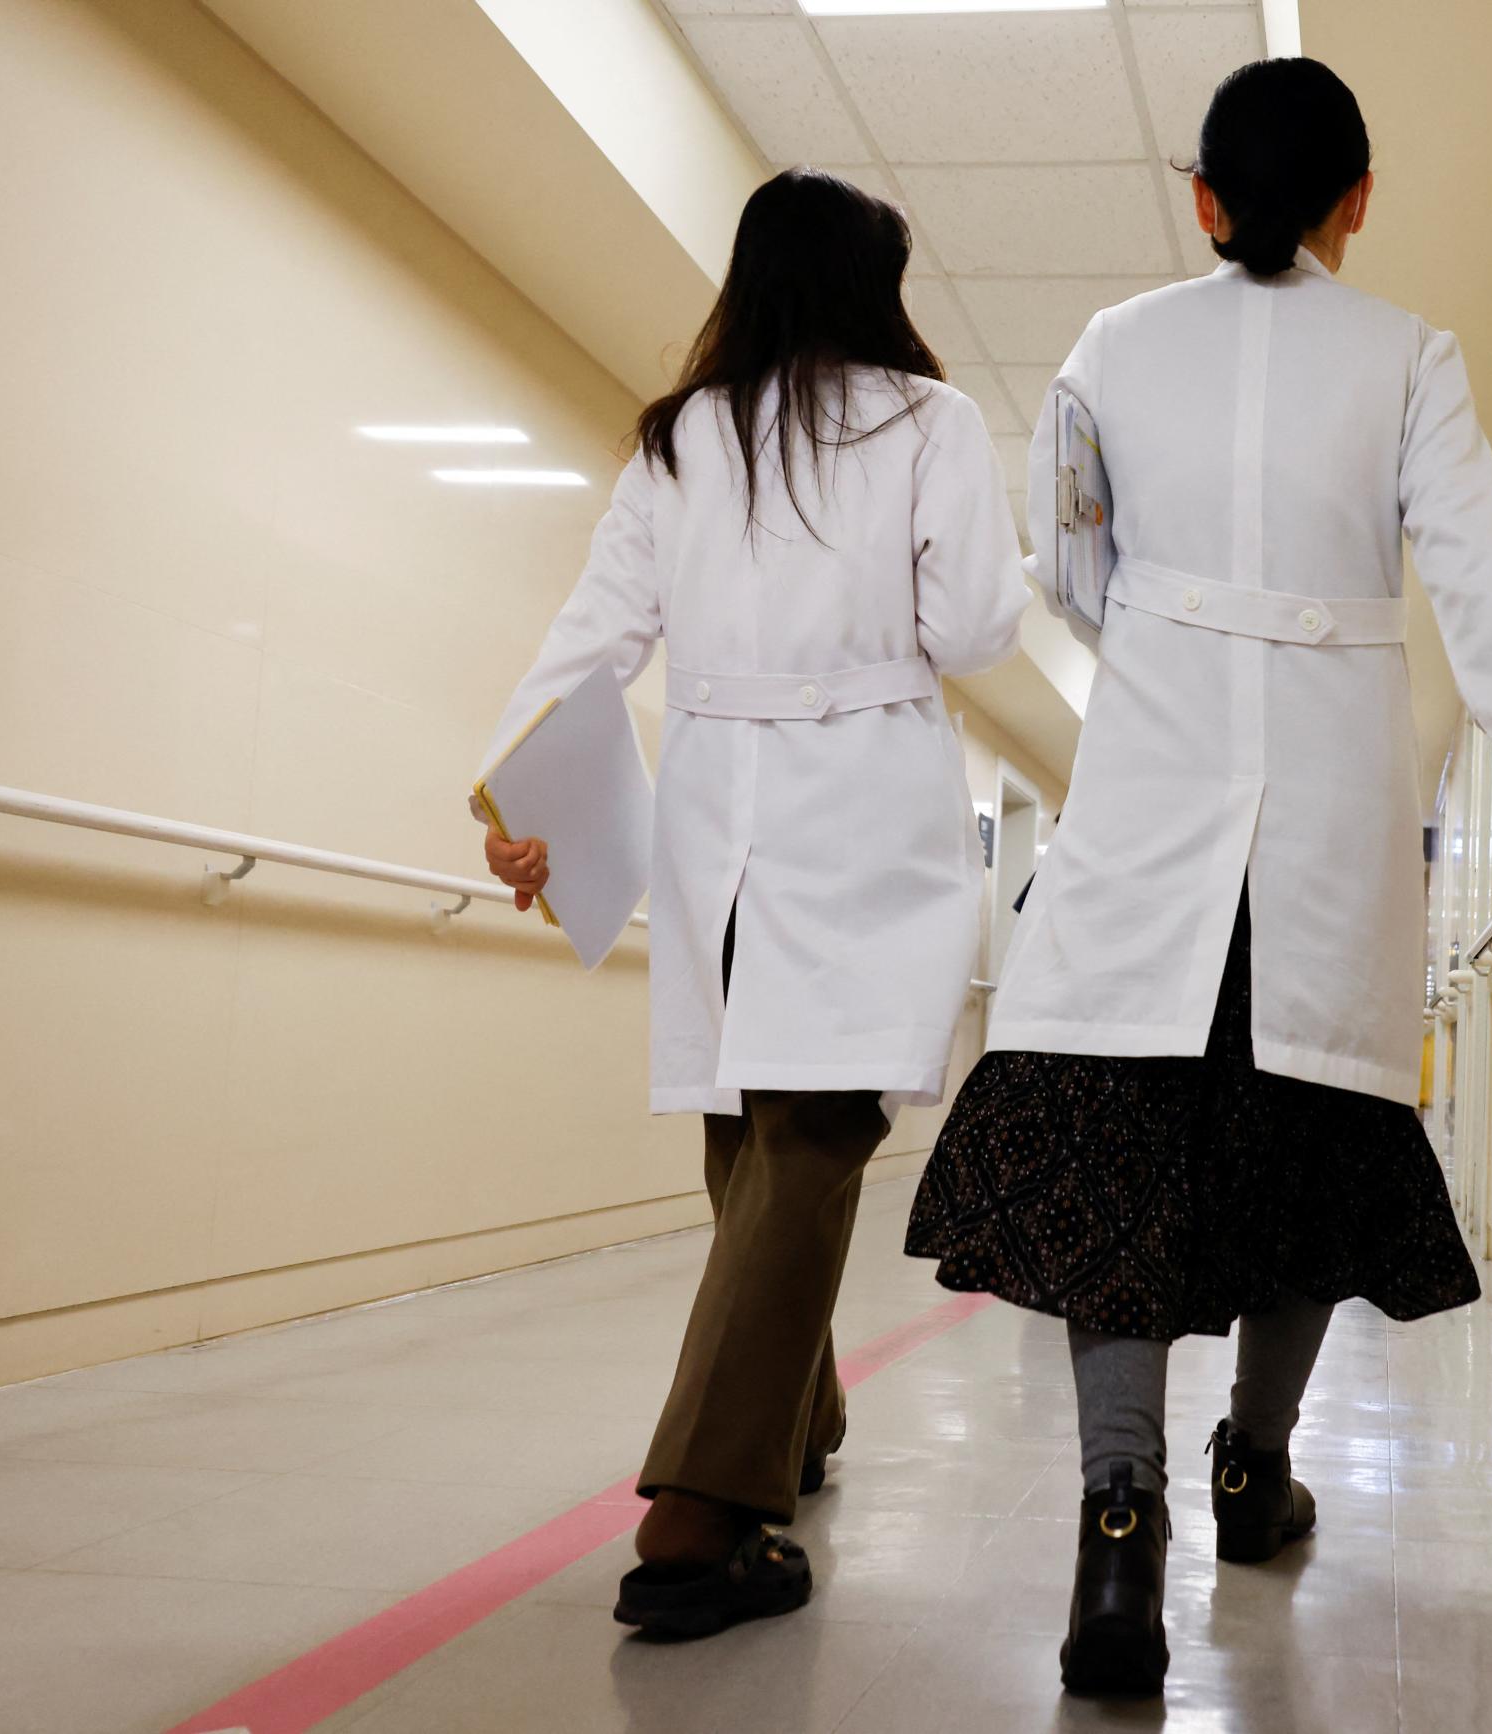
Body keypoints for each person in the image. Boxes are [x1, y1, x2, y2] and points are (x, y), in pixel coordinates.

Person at [902, 58, 1492, 1697]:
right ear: (1358, 201)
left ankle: (1122, 1518)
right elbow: (1466, 554)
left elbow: (1071, 561)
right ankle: (1255, 1468)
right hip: (1324, 812)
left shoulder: (1112, 346)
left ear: (1201, 197)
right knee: (1308, 1130)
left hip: (1153, 800)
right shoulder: (1408, 357)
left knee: (1116, 1134)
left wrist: (1180, 640)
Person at [477, 169, 1026, 1642]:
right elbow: (975, 626)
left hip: (717, 806)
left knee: (756, 1126)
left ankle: (798, 1420)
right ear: (872, 284)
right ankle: (699, 1513)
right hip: (863, 801)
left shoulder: (679, 437)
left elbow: (593, 635)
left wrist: (514, 799)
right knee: (814, 1125)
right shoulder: (935, 424)